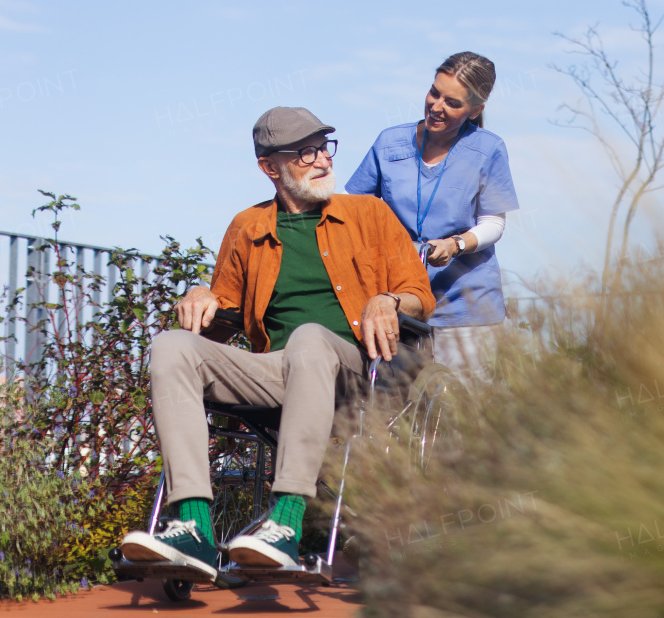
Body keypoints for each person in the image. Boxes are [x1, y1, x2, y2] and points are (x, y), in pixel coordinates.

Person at [118, 106, 434, 581]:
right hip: (279, 373)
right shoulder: (248, 227)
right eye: (304, 153)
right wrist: (202, 297)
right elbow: (219, 319)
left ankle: (285, 522)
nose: (322, 160)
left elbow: (420, 295)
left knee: (309, 339)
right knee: (170, 346)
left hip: (355, 372)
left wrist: (388, 300)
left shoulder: (369, 213)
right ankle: (194, 530)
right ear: (270, 167)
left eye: (323, 148)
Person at [346, 52, 519, 380]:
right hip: (400, 302)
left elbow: (494, 223)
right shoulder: (389, 143)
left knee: (462, 413)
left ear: (475, 110)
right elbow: (357, 211)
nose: (437, 106)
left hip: (465, 307)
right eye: (434, 93)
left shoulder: (488, 149)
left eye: (452, 102)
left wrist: (456, 245)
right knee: (394, 409)